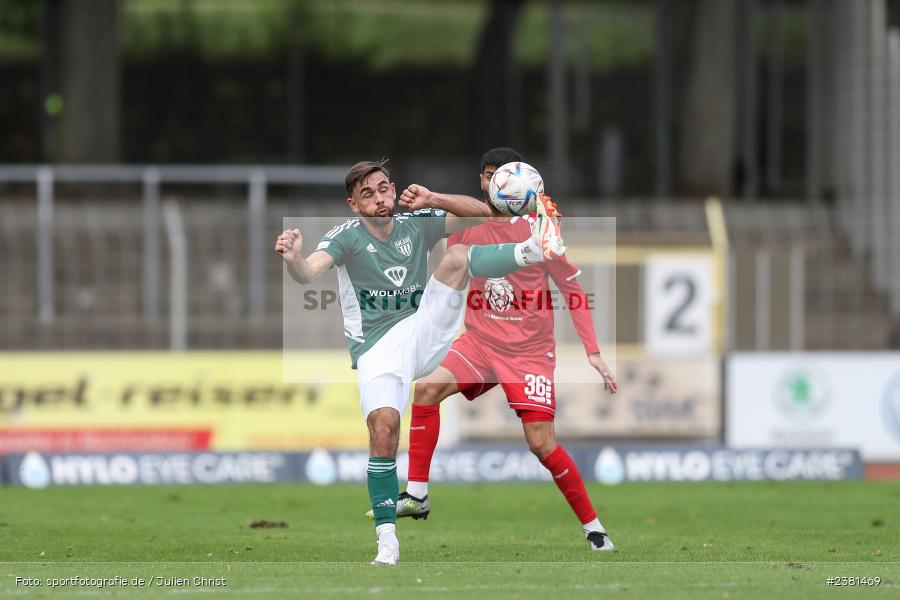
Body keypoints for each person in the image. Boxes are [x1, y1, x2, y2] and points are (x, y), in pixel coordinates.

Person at [275, 159, 566, 565]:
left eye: (382, 189)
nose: (378, 199)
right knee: (384, 429)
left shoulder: (419, 221)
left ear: (392, 189)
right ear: (353, 205)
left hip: (423, 328)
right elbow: (308, 273)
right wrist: (293, 259)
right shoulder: (344, 238)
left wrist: (434, 198)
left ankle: (530, 250)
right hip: (378, 350)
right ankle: (387, 541)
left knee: (457, 256)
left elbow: (485, 211)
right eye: (367, 195)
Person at [367, 148, 618, 552]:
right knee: (427, 389)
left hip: (529, 353)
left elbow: (572, 289)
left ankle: (594, 528)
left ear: (518, 186)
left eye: (497, 177)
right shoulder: (467, 226)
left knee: (541, 444)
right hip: (480, 342)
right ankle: (417, 493)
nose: (490, 183)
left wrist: (593, 351)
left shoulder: (541, 233)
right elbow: (451, 234)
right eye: (485, 176)